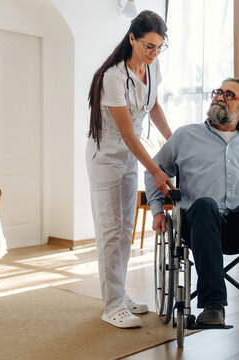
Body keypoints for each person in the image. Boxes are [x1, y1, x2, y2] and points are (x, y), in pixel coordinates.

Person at [144, 78, 239, 329]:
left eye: (228, 94)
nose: (219, 97)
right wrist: (157, 210)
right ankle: (212, 305)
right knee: (205, 205)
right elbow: (155, 171)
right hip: (199, 225)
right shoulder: (186, 136)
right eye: (218, 92)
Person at [86, 10, 175, 329]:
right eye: (148, 46)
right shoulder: (113, 77)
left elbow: (153, 107)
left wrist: (176, 140)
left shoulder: (153, 68)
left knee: (124, 230)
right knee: (111, 231)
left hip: (129, 158)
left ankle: (120, 295)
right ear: (132, 38)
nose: (153, 54)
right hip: (107, 158)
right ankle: (111, 306)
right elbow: (127, 133)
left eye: (158, 47)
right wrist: (155, 169)